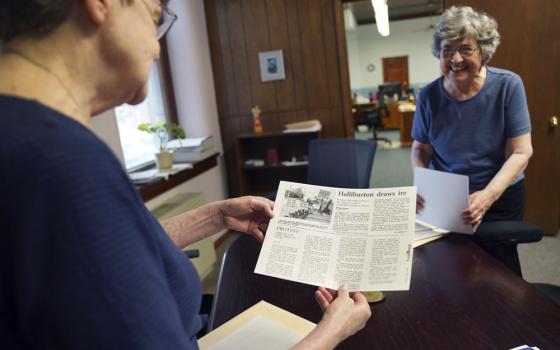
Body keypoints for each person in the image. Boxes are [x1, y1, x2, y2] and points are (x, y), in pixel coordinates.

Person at [0, 1, 371, 349]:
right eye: (155, 15)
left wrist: (215, 216)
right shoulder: (65, 164)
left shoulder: (24, 140)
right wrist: (331, 332)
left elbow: (110, 254)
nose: (159, 48)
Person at [411, 6, 533, 231]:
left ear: (483, 52)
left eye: (466, 49)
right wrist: (421, 184)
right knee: (450, 260)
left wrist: (487, 196)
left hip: (500, 195)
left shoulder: (508, 85)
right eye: (447, 50)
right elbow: (421, 150)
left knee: (500, 261)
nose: (455, 59)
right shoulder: (428, 96)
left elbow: (521, 151)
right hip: (448, 197)